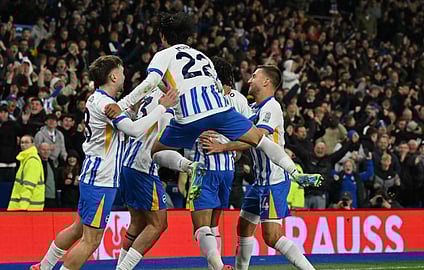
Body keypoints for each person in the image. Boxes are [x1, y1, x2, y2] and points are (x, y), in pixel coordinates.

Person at [105, 12, 322, 204]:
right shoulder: (204, 57)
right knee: (261, 140)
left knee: (155, 151)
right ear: (188, 37)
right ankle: (295, 172)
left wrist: (121, 104)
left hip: (189, 117)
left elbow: (151, 82)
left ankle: (190, 167)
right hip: (220, 111)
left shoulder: (164, 55)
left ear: (163, 37)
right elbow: (218, 86)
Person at [31, 55, 177, 270]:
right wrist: (162, 107)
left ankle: (43, 267)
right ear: (114, 76)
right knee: (91, 241)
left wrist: (133, 106)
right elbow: (135, 130)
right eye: (122, 72)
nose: (125, 76)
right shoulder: (106, 104)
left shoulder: (97, 99)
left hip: (93, 172)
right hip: (102, 178)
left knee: (77, 229)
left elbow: (122, 109)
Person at [202, 66, 315, 270]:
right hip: (260, 182)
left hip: (274, 181)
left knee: (272, 236)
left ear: (266, 82)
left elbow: (257, 139)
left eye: (255, 76)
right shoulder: (254, 108)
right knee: (243, 227)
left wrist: (223, 146)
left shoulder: (271, 107)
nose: (250, 79)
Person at [180, 56, 252, 270]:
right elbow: (251, 139)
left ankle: (220, 268)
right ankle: (217, 267)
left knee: (201, 228)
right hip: (227, 170)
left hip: (204, 169)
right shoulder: (239, 99)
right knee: (213, 226)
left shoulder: (201, 97)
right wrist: (228, 147)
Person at [115, 88, 174, 270]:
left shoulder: (150, 92)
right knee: (159, 223)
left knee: (138, 221)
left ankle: (120, 267)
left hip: (127, 162)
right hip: (143, 166)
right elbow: (164, 141)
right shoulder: (172, 99)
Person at [8, 135, 45, 211]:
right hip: (24, 207)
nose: (23, 145)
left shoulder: (32, 161)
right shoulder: (25, 159)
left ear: (33, 144)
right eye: (22, 142)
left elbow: (29, 186)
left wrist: (23, 207)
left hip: (29, 208)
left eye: (26, 142)